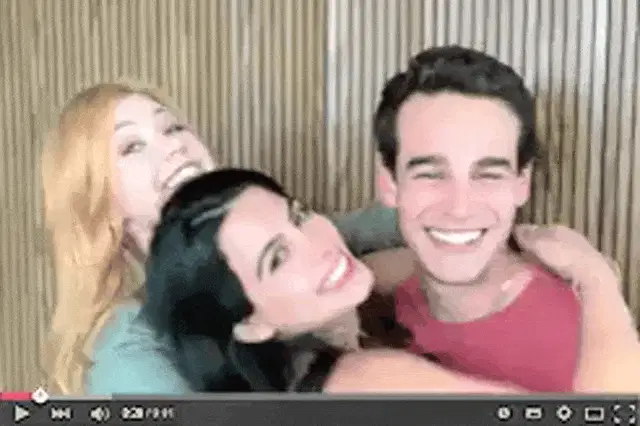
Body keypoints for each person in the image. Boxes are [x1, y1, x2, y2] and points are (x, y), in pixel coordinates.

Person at [40, 82, 405, 395]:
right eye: (131, 147)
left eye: (173, 128)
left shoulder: (313, 239)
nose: (175, 146)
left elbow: (402, 220)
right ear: (99, 204)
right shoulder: (130, 349)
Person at [142, 168, 640, 393]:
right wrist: (595, 279)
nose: (319, 241)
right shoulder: (361, 382)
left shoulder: (346, 309)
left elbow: (433, 263)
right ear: (251, 324)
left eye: (300, 215)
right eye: (278, 258)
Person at [373, 45, 579, 391]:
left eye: (489, 175)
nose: (460, 208)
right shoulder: (375, 293)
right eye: (431, 174)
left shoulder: (581, 343)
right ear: (389, 184)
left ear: (522, 184)